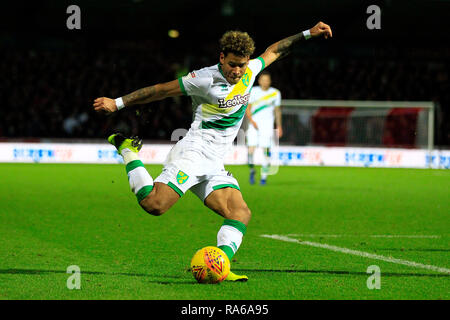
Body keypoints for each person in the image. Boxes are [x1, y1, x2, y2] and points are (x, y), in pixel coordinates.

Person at [93, 22, 332, 282]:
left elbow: (276, 50)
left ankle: (219, 265)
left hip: (215, 162)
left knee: (240, 213)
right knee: (154, 205)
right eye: (232, 64)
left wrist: (308, 34)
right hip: (193, 154)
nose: (237, 71)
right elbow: (161, 90)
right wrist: (116, 103)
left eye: (241, 64)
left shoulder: (251, 71)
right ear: (221, 58)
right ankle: (129, 151)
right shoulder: (203, 79)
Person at [245, 71, 282, 185]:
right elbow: (248, 108)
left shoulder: (275, 93)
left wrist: (279, 126)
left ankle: (263, 177)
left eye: (267, 80)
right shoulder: (253, 91)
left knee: (266, 151)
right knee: (250, 151)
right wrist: (251, 121)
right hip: (254, 126)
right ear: (259, 81)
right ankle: (252, 170)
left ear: (270, 81)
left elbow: (277, 111)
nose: (265, 82)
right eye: (263, 80)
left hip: (267, 127)